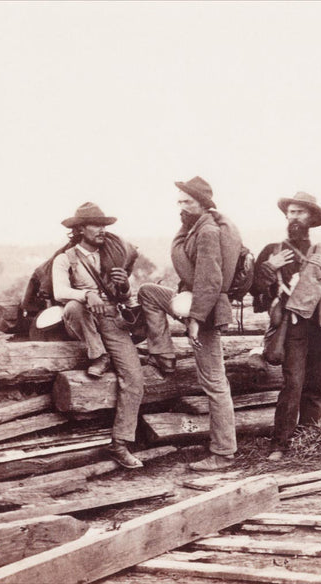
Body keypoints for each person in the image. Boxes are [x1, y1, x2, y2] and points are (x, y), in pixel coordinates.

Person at [251, 192, 321, 462]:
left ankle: (310, 438)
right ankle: (280, 443)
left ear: (312, 218)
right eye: (291, 212)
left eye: (300, 212)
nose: (294, 217)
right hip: (291, 327)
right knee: (293, 383)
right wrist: (268, 269)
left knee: (316, 383)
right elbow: (257, 294)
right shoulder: (273, 251)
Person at [138, 176, 241, 471]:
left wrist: (195, 320)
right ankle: (164, 354)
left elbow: (211, 279)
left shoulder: (207, 231)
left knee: (214, 382)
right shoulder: (192, 227)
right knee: (148, 292)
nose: (181, 206)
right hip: (193, 300)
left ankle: (223, 453)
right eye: (179, 201)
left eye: (187, 201)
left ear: (202, 204)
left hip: (206, 310)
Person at [51, 202, 145, 469]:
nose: (102, 230)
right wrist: (86, 294)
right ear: (80, 229)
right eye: (96, 225)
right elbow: (60, 292)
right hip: (83, 319)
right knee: (73, 306)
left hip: (112, 318)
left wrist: (124, 285)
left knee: (134, 377)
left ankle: (120, 443)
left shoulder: (112, 255)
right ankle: (98, 354)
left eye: (104, 225)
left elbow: (125, 295)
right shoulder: (65, 258)